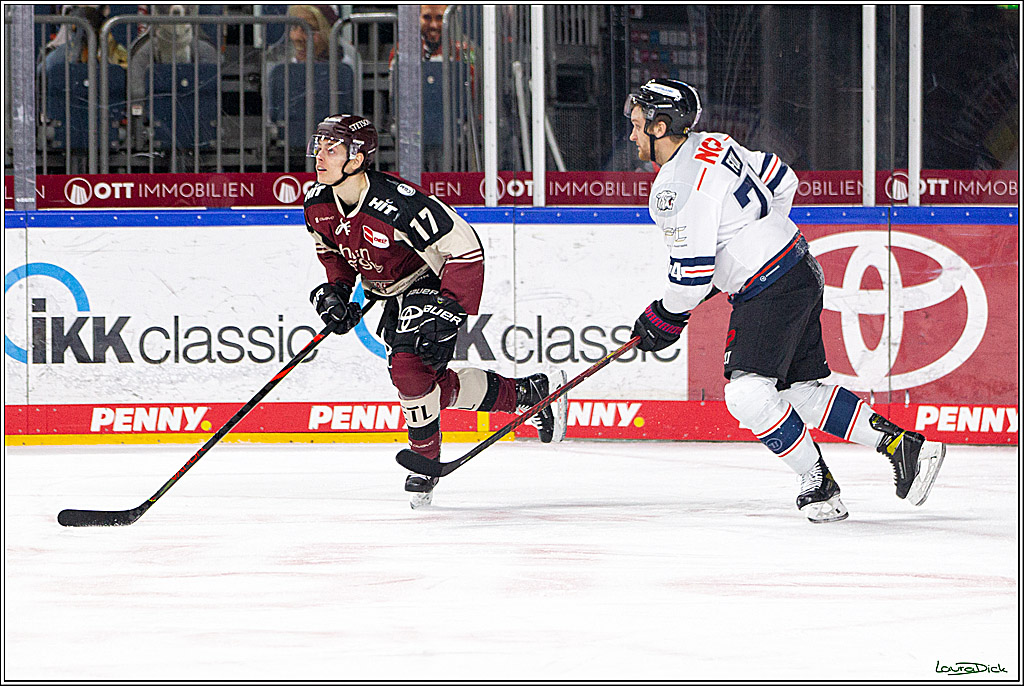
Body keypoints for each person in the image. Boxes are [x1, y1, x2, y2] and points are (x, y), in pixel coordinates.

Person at [623, 78, 946, 523]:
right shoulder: (715, 144)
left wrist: (663, 317)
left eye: (639, 124)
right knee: (800, 391)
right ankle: (906, 446)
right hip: (798, 266)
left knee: (747, 394)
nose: (633, 133)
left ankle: (819, 484)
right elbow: (782, 177)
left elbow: (693, 279)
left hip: (770, 287)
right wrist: (755, 242)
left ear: (661, 127)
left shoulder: (672, 188)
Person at [302, 114, 567, 508]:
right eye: (318, 148)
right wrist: (337, 291)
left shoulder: (396, 204)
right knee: (424, 385)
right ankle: (529, 392)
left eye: (332, 149)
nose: (320, 157)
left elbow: (465, 248)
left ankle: (424, 461)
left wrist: (449, 310)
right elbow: (331, 251)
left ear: (357, 159)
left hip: (431, 282)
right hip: (390, 289)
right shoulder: (317, 203)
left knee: (409, 373)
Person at [265, 4, 338, 64]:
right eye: (294, 26)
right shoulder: (283, 71)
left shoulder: (344, 71)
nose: (296, 37)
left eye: (309, 29)